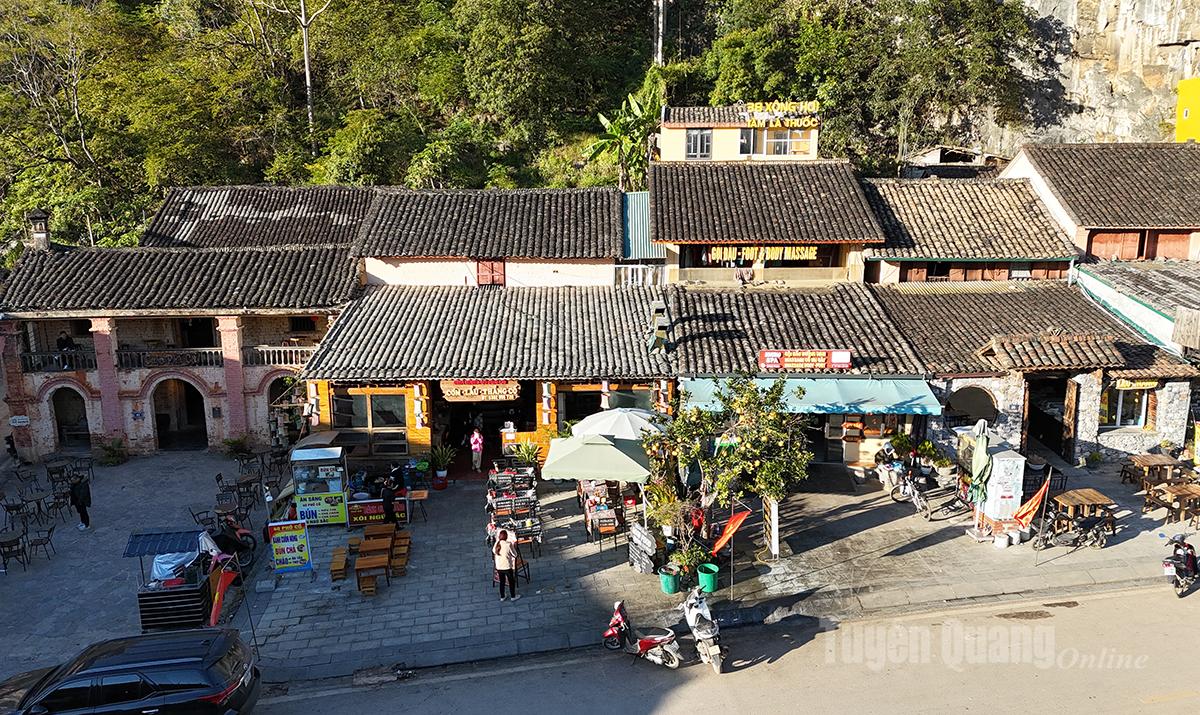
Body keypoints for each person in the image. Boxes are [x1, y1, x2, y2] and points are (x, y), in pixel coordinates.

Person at [493, 529, 520, 602]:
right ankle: (513, 596)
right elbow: (515, 554)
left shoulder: (496, 544)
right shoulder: (508, 544)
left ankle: (502, 596)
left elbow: (493, 551)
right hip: (507, 567)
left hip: (499, 567)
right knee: (511, 581)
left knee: (502, 581)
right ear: (506, 537)